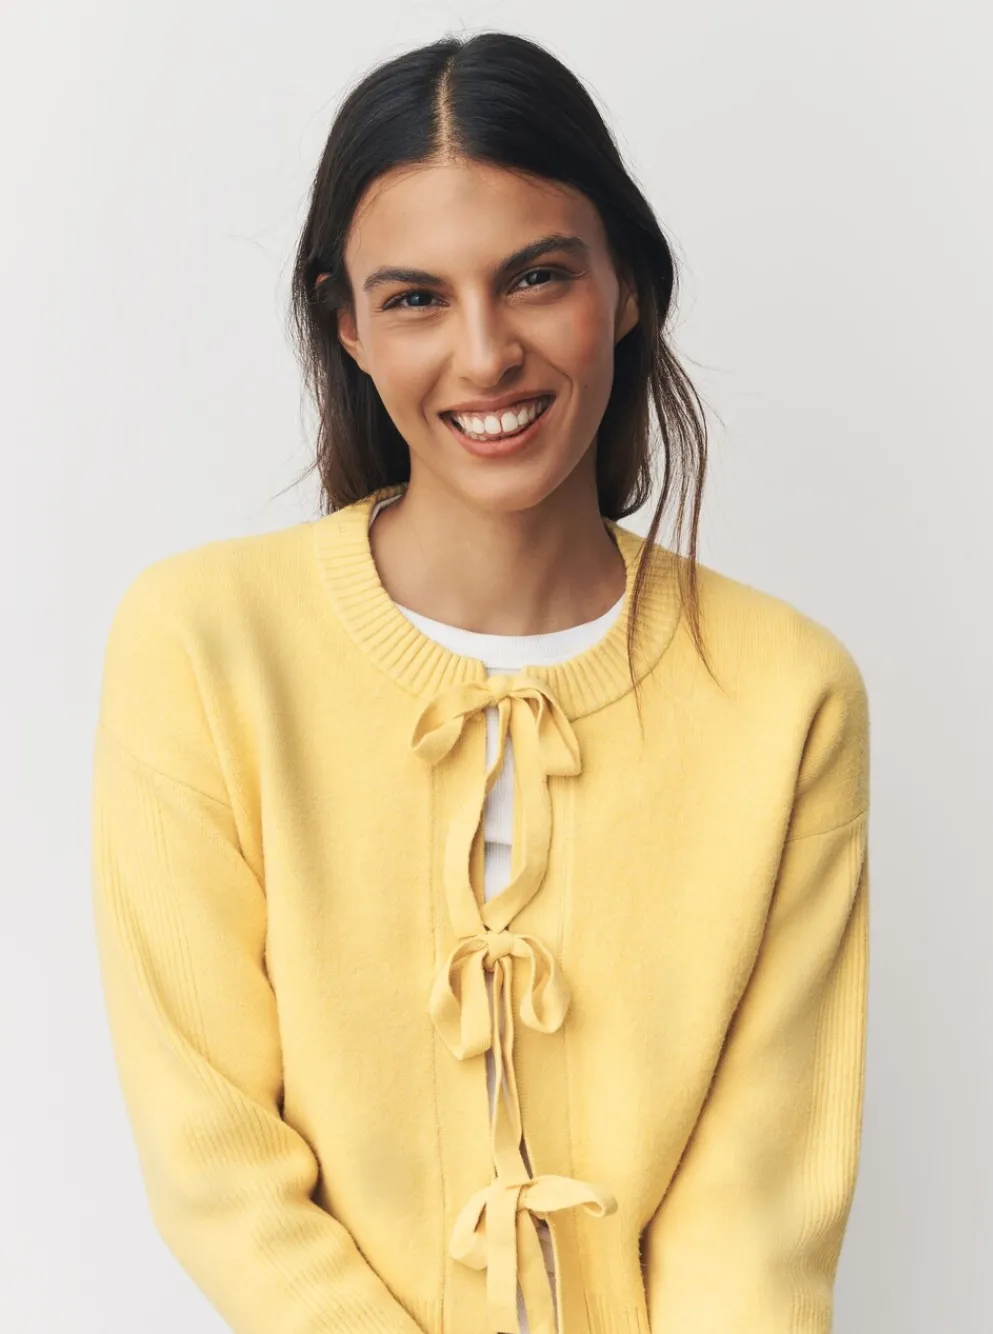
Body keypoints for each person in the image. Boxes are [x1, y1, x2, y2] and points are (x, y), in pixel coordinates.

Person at [90, 30, 871, 1334]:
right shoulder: (201, 644)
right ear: (347, 324)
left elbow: (758, 1211)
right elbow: (215, 1161)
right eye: (415, 298)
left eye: (536, 278)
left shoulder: (788, 694)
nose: (486, 353)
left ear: (628, 286)